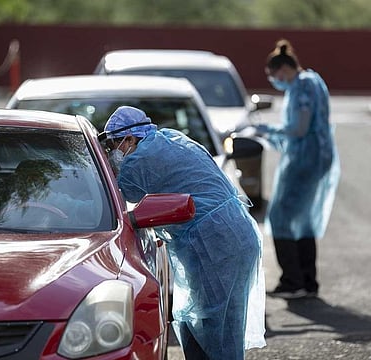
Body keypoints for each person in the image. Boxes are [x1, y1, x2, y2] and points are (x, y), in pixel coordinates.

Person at [99, 105, 266, 359]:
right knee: (209, 325)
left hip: (215, 244)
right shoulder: (170, 138)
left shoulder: (138, 162)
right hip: (235, 233)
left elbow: (119, 197)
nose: (113, 153)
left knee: (215, 331)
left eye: (113, 146)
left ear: (130, 139)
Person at [253, 39, 340, 299]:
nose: (275, 82)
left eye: (273, 77)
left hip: (304, 160)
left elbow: (299, 129)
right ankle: (307, 280)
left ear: (281, 71)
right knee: (303, 221)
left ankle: (293, 281)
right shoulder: (313, 81)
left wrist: (267, 130)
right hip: (315, 158)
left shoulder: (302, 88)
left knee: (281, 218)